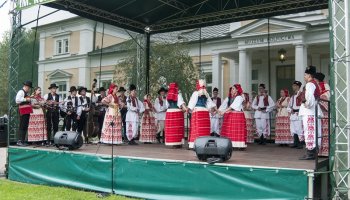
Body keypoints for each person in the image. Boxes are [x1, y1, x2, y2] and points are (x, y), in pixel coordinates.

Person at [299, 66, 322, 160]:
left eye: (305, 74)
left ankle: (310, 153)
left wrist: (305, 103)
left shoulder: (309, 84)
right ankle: (313, 152)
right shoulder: (314, 84)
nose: (304, 76)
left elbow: (310, 99)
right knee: (313, 131)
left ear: (309, 75)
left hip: (309, 111)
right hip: (313, 111)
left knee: (309, 131)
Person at [188, 79, 216, 149]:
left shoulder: (196, 93)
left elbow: (192, 103)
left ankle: (195, 145)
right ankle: (204, 144)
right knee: (204, 129)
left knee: (197, 128)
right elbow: (210, 104)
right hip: (205, 112)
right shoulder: (206, 93)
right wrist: (215, 110)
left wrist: (188, 110)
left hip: (197, 111)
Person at [219, 84, 247, 148]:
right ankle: (229, 144)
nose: (232, 90)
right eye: (231, 89)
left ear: (237, 90)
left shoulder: (239, 97)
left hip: (237, 116)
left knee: (236, 131)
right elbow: (222, 106)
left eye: (233, 89)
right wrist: (217, 111)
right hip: (230, 115)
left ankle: (238, 145)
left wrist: (223, 111)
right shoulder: (229, 98)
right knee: (229, 131)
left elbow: (232, 107)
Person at [164, 82, 187, 147]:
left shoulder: (168, 95)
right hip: (177, 112)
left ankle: (172, 143)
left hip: (169, 112)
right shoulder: (178, 95)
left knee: (172, 128)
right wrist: (185, 109)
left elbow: (166, 105)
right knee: (177, 128)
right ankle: (178, 143)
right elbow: (181, 104)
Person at [315, 72, 330, 157]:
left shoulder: (326, 85)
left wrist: (320, 99)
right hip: (318, 113)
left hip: (325, 114)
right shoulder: (315, 86)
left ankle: (325, 152)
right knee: (318, 132)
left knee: (325, 132)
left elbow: (327, 96)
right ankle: (318, 151)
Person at [15, 81, 33, 146]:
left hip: (26, 111)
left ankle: (22, 140)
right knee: (22, 125)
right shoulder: (21, 92)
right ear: (26, 86)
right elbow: (17, 100)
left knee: (25, 125)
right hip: (22, 111)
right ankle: (19, 141)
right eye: (29, 87)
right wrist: (26, 99)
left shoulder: (26, 93)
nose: (29, 89)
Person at [287, 81, 304, 149]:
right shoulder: (293, 96)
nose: (293, 87)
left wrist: (300, 111)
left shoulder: (302, 94)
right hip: (293, 114)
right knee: (293, 129)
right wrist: (290, 110)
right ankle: (295, 143)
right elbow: (289, 106)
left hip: (299, 114)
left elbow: (304, 105)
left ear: (297, 86)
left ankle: (300, 144)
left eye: (294, 85)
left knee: (299, 129)